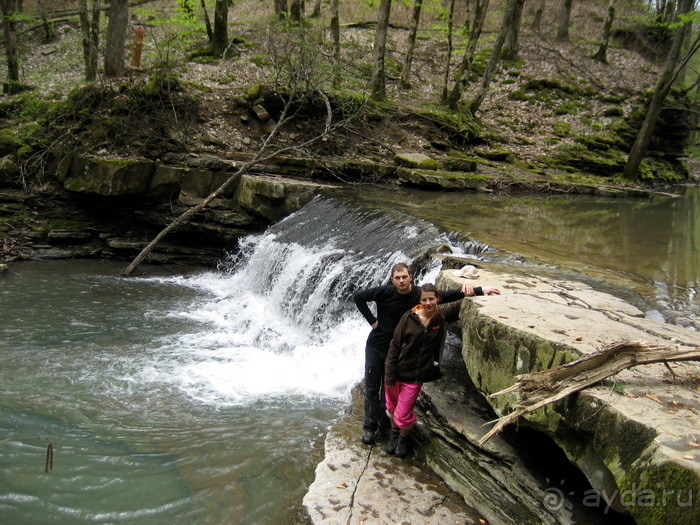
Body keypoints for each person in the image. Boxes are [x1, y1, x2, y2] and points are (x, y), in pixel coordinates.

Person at [353, 263, 500, 445]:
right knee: (372, 388)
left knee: (389, 389)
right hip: (377, 347)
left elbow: (444, 296)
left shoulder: (418, 294)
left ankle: (386, 423)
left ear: (411, 277)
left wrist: (479, 290)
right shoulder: (385, 292)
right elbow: (358, 296)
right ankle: (369, 427)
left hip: (399, 351)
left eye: (404, 277)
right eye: (397, 278)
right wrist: (373, 321)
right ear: (392, 280)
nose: (401, 281)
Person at [384, 283, 474, 458]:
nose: (428, 302)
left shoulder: (441, 317)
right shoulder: (408, 318)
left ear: (438, 299)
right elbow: (394, 347)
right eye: (424, 299)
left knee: (403, 413)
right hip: (395, 372)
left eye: (431, 299)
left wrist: (477, 291)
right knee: (392, 408)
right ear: (420, 300)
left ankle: (404, 437)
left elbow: (460, 304)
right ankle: (394, 435)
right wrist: (389, 375)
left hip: (415, 377)